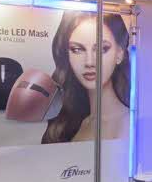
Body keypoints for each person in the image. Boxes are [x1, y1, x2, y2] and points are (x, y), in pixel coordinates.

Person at [41, 12, 130, 144]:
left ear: (119, 54)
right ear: (67, 55)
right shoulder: (75, 122)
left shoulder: (127, 123)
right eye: (77, 49)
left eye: (101, 49)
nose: (89, 62)